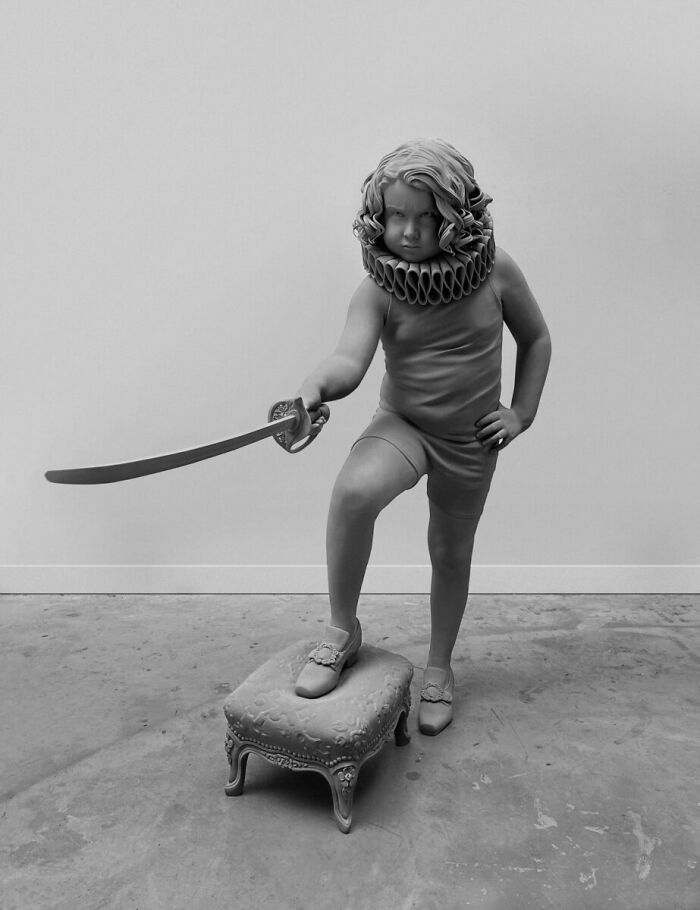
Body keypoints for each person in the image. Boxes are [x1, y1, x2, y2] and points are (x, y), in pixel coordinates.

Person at [293, 138, 551, 735]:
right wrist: (313, 387)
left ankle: (438, 667)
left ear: (457, 217)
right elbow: (349, 361)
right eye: (394, 216)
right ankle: (341, 628)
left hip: (471, 440)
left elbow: (536, 339)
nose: (407, 232)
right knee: (354, 493)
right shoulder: (379, 287)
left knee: (449, 551)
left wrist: (521, 412)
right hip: (402, 425)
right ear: (375, 216)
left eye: (426, 217)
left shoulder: (498, 271)